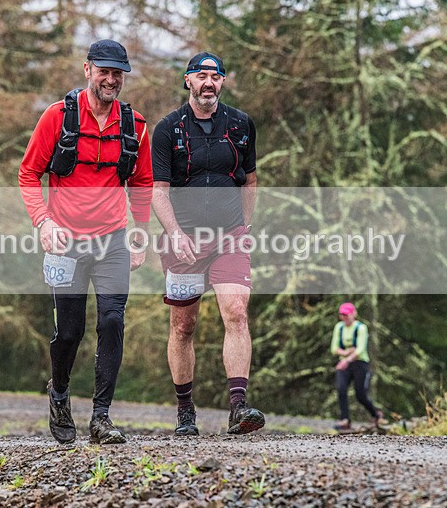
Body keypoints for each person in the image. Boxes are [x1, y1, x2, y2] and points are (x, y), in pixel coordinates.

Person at [18, 39, 153, 445]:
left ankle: (102, 417)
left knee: (112, 321)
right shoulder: (57, 117)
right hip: (66, 242)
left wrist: (140, 234)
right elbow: (28, 174)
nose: (111, 79)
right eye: (104, 71)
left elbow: (142, 183)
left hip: (112, 239)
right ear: (87, 69)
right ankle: (59, 393)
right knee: (70, 332)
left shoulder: (136, 125)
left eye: (118, 73)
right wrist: (42, 222)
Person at [151, 51, 264, 436]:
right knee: (184, 326)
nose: (208, 82)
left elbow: (249, 181)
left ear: (223, 83)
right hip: (183, 242)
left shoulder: (241, 124)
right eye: (201, 75)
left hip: (229, 236)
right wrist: (175, 233)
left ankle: (238, 407)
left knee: (236, 311)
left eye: (215, 76)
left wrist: (245, 225)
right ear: (187, 81)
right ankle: (185, 411)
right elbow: (159, 192)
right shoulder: (167, 129)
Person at [331, 302, 385, 431]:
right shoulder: (339, 327)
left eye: (346, 315)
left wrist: (347, 359)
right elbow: (334, 348)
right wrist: (346, 353)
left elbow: (360, 349)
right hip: (344, 363)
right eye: (342, 315)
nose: (344, 318)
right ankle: (345, 419)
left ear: (353, 314)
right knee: (341, 388)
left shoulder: (361, 328)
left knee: (360, 394)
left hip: (360, 364)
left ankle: (376, 414)